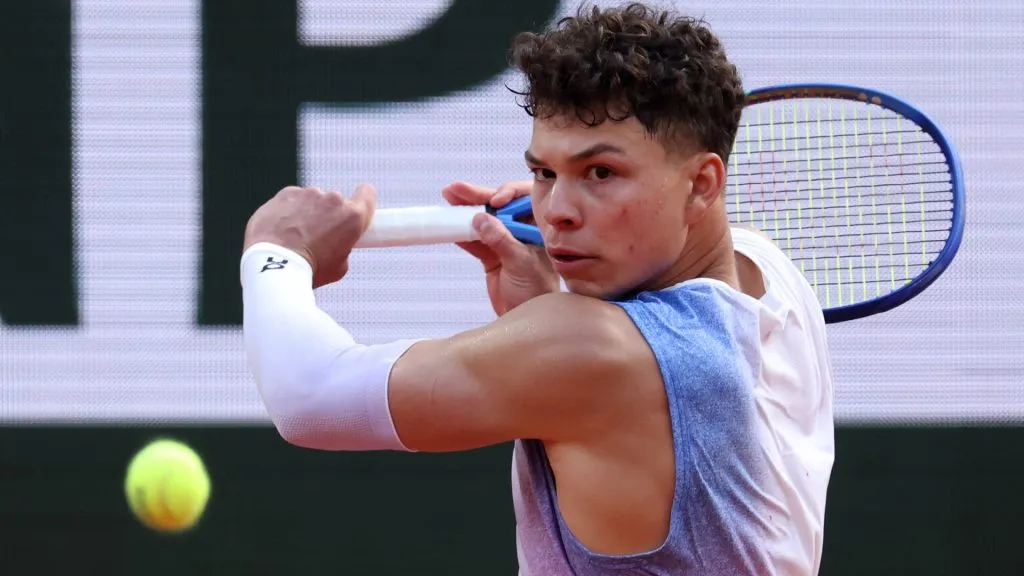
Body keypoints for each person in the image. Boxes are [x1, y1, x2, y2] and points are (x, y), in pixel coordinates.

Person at [239, 3, 835, 575]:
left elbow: (309, 398)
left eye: (601, 172)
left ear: (703, 184)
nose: (557, 212)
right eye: (545, 173)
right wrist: (548, 300)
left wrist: (276, 252)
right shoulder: (771, 274)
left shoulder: (595, 350)